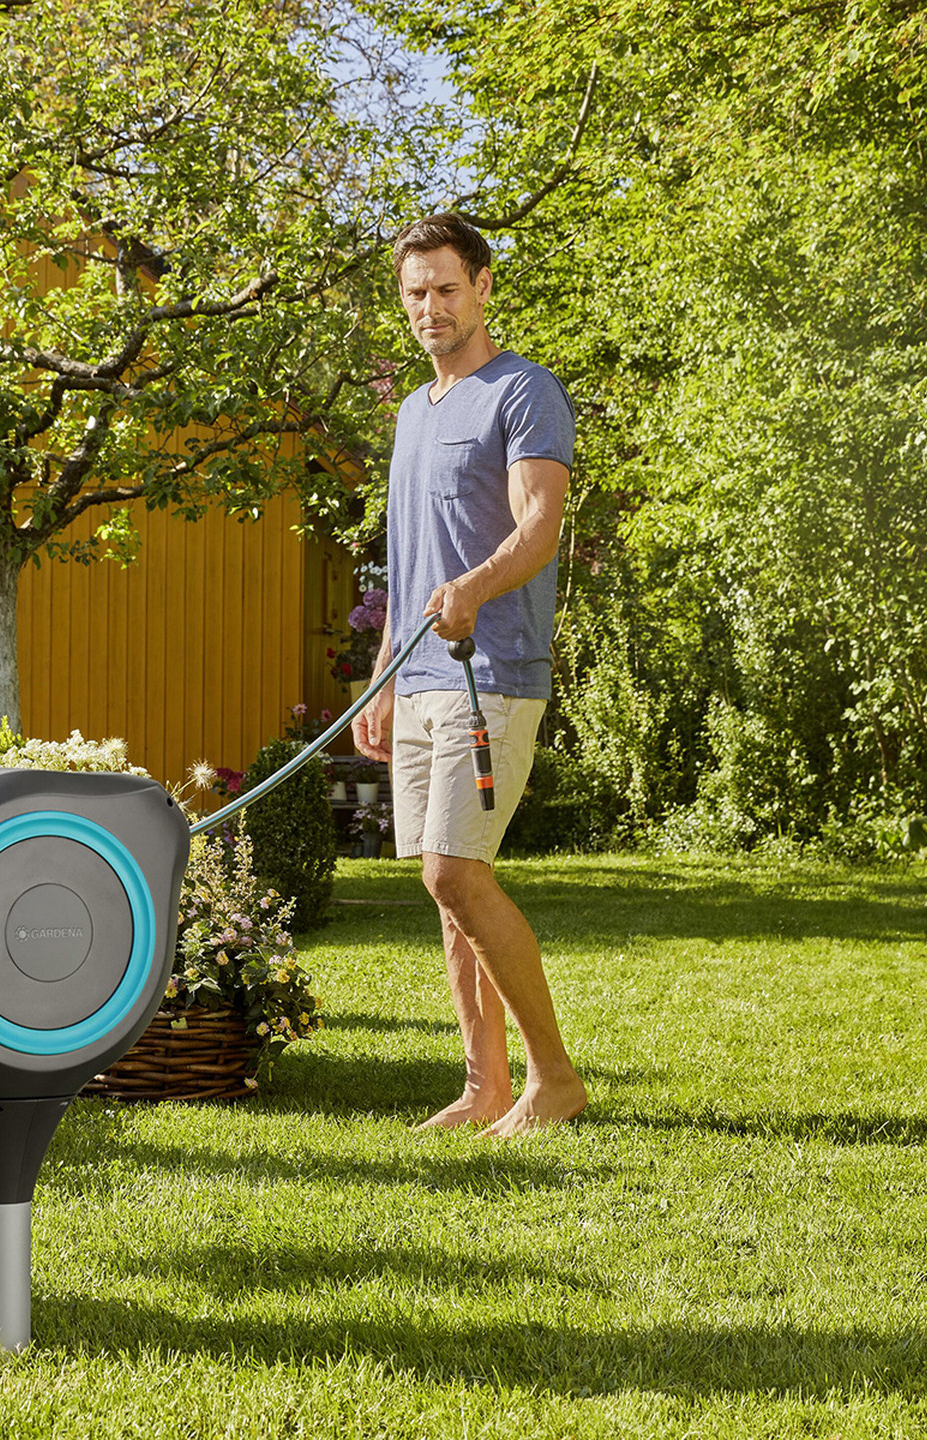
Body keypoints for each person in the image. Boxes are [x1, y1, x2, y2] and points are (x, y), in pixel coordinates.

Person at [353, 213, 588, 1138]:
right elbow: (408, 562)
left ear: (484, 286)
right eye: (416, 293)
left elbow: (539, 528)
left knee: (455, 870)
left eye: (447, 288)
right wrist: (382, 678)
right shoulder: (415, 411)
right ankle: (485, 1085)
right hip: (419, 675)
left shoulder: (524, 392)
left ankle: (553, 1080)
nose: (431, 308)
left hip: (492, 668)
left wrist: (475, 589)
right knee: (444, 886)